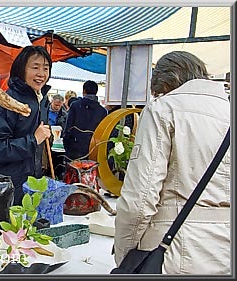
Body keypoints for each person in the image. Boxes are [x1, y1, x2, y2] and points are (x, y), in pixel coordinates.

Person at [114, 51, 230, 274]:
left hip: (175, 250)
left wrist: (126, 255)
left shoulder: (164, 108)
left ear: (164, 85)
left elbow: (140, 198)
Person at [0, 45, 52, 207]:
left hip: (30, 186)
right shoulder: (6, 102)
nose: (41, 74)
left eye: (45, 68)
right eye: (35, 67)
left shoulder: (42, 101)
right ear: (22, 70)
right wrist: (33, 140)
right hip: (5, 189)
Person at [62, 80, 107, 160]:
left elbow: (68, 129)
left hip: (74, 150)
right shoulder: (102, 111)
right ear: (96, 92)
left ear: (84, 91)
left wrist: (67, 147)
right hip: (93, 150)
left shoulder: (75, 106)